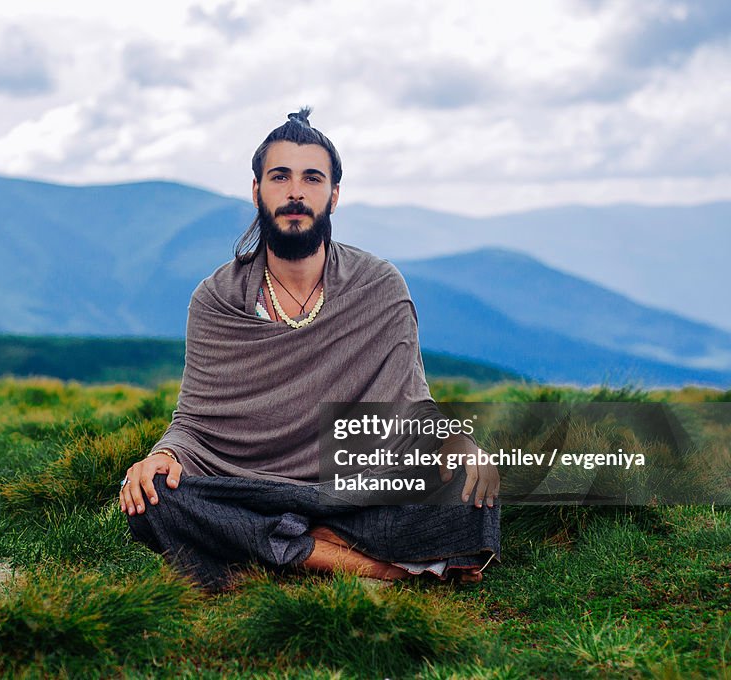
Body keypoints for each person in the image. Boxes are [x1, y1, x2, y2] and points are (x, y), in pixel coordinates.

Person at [120, 108, 500, 591]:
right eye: (280, 177)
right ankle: (367, 566)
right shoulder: (216, 299)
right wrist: (164, 456)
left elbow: (409, 406)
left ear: (333, 195)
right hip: (250, 489)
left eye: (311, 178)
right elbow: (194, 423)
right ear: (256, 191)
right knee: (153, 496)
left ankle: (270, 550)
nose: (295, 192)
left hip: (353, 492)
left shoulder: (379, 286)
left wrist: (456, 440)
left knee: (474, 487)